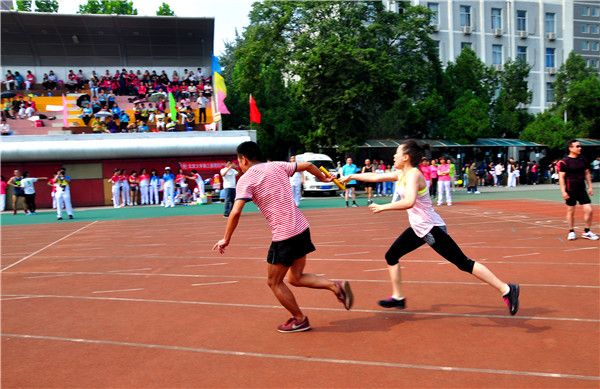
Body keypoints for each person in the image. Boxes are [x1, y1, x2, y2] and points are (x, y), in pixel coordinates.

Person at [340, 139, 520, 316]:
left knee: (463, 263)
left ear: (406, 157)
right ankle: (398, 297)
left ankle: (506, 289)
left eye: (397, 153)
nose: (394, 156)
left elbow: (409, 201)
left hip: (432, 229)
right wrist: (352, 176)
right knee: (391, 256)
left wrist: (383, 207)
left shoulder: (414, 175)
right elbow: (375, 176)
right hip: (420, 228)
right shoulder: (402, 173)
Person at [213, 141, 353, 332]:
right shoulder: (277, 165)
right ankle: (335, 286)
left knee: (274, 281)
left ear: (243, 159)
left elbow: (235, 212)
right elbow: (308, 165)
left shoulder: (246, 180)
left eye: (239, 162)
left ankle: (299, 319)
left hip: (285, 235)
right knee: (295, 278)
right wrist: (324, 178)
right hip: (302, 228)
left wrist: (226, 238)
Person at [558, 140, 598, 241]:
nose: (580, 148)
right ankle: (571, 231)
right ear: (570, 148)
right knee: (571, 211)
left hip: (581, 189)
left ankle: (587, 231)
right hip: (570, 190)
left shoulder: (583, 159)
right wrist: (563, 191)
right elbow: (561, 178)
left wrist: (590, 186)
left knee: (589, 210)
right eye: (577, 146)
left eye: (580, 146)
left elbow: (587, 173)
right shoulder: (564, 162)